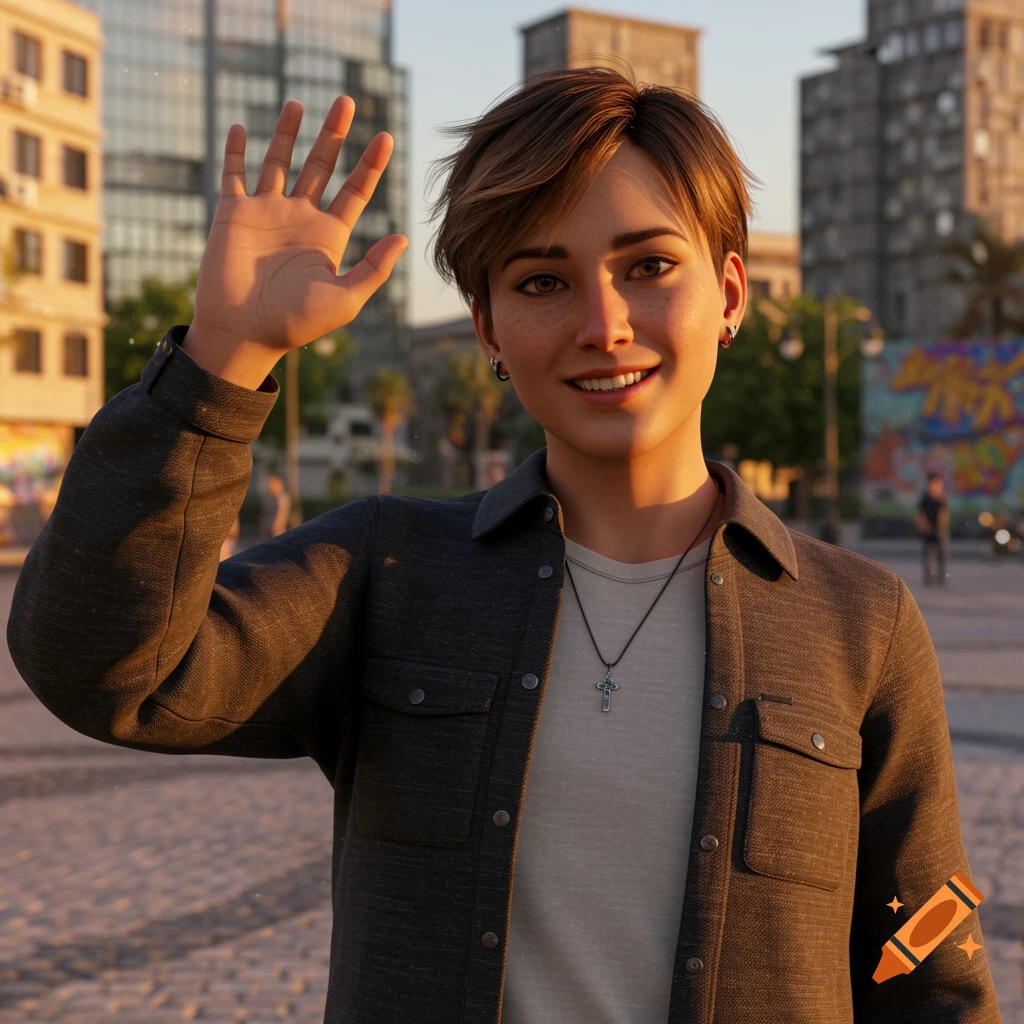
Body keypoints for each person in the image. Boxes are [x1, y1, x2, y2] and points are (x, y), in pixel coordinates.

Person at [6, 71, 1000, 1023]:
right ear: (486, 327)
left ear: (731, 293)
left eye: (648, 266)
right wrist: (224, 353)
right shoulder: (384, 570)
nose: (603, 324)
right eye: (541, 281)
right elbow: (108, 669)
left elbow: (928, 975)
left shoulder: (858, 621)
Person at [915, 472, 950, 585]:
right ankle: (928, 577)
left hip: (940, 530)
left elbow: (945, 514)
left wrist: (943, 529)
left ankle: (941, 577)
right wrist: (923, 526)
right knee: (928, 554)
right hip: (928, 530)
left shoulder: (941, 498)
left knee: (942, 554)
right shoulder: (926, 498)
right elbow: (920, 513)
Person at [260, 473, 291, 539]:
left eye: (272, 484)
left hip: (277, 529)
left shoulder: (282, 498)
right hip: (268, 528)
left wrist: (276, 526)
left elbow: (282, 513)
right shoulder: (269, 498)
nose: (269, 486)